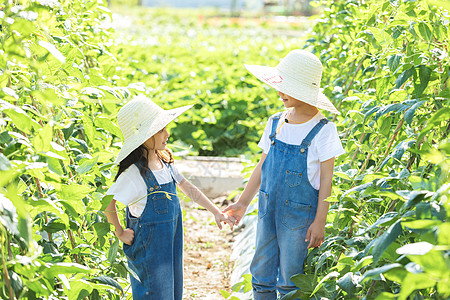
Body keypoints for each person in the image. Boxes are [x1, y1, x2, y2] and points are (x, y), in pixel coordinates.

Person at [223, 50, 345, 299]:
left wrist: (320, 221)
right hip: (267, 211)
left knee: (291, 279)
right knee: (261, 274)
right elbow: (262, 166)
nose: (279, 92)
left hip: (300, 219)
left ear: (303, 90)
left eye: (285, 87)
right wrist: (242, 203)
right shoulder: (275, 122)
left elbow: (326, 181)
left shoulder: (324, 130)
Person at [104, 96, 233, 299]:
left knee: (170, 291)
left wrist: (216, 211)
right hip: (149, 253)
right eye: (161, 130)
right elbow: (107, 203)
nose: (168, 134)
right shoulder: (134, 174)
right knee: (153, 292)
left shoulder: (164, 162)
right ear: (144, 136)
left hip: (170, 246)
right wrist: (120, 232)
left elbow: (189, 188)